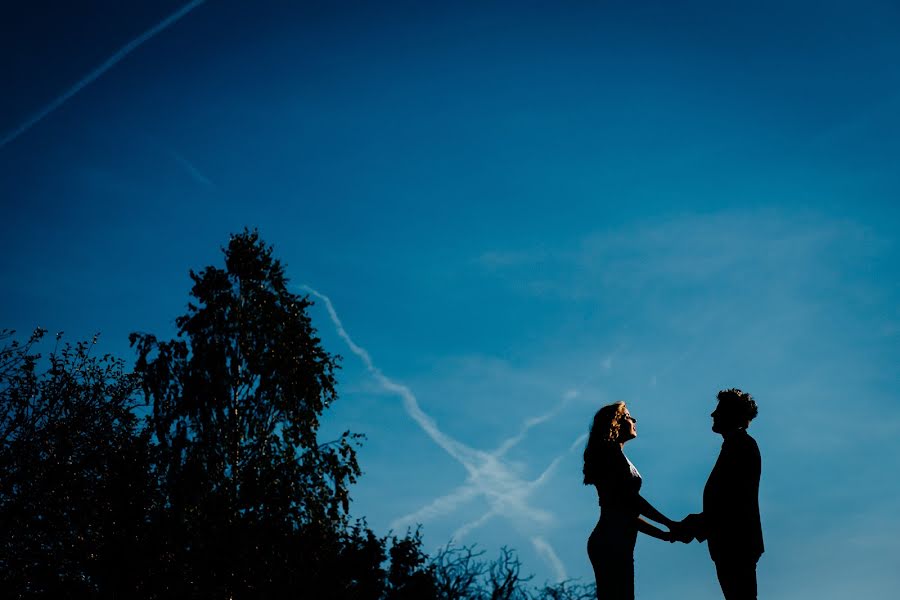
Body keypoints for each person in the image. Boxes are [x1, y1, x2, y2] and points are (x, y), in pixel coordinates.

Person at [583, 401, 682, 600]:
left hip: (616, 540)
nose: (634, 420)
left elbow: (628, 514)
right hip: (611, 541)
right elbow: (630, 503)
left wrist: (664, 533)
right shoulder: (611, 456)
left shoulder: (616, 456)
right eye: (628, 416)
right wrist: (670, 525)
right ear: (615, 423)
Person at [678, 388, 764, 600]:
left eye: (719, 410)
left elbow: (734, 502)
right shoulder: (735, 446)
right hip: (731, 541)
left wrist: (696, 523)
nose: (712, 415)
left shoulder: (742, 446)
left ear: (732, 415)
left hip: (735, 542)